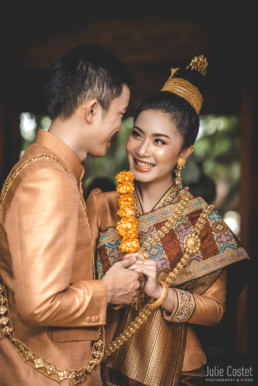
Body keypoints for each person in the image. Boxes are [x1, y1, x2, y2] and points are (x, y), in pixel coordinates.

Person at [86, 55, 250, 385]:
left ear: (185, 152)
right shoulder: (101, 204)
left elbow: (216, 311)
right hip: (100, 362)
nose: (142, 150)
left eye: (160, 141)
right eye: (137, 134)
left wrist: (161, 292)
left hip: (179, 370)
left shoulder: (203, 221)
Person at [0, 43, 142, 385]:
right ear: (92, 110)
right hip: (44, 374)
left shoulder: (53, 169)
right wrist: (108, 291)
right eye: (121, 115)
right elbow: (39, 304)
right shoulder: (48, 180)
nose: (119, 128)